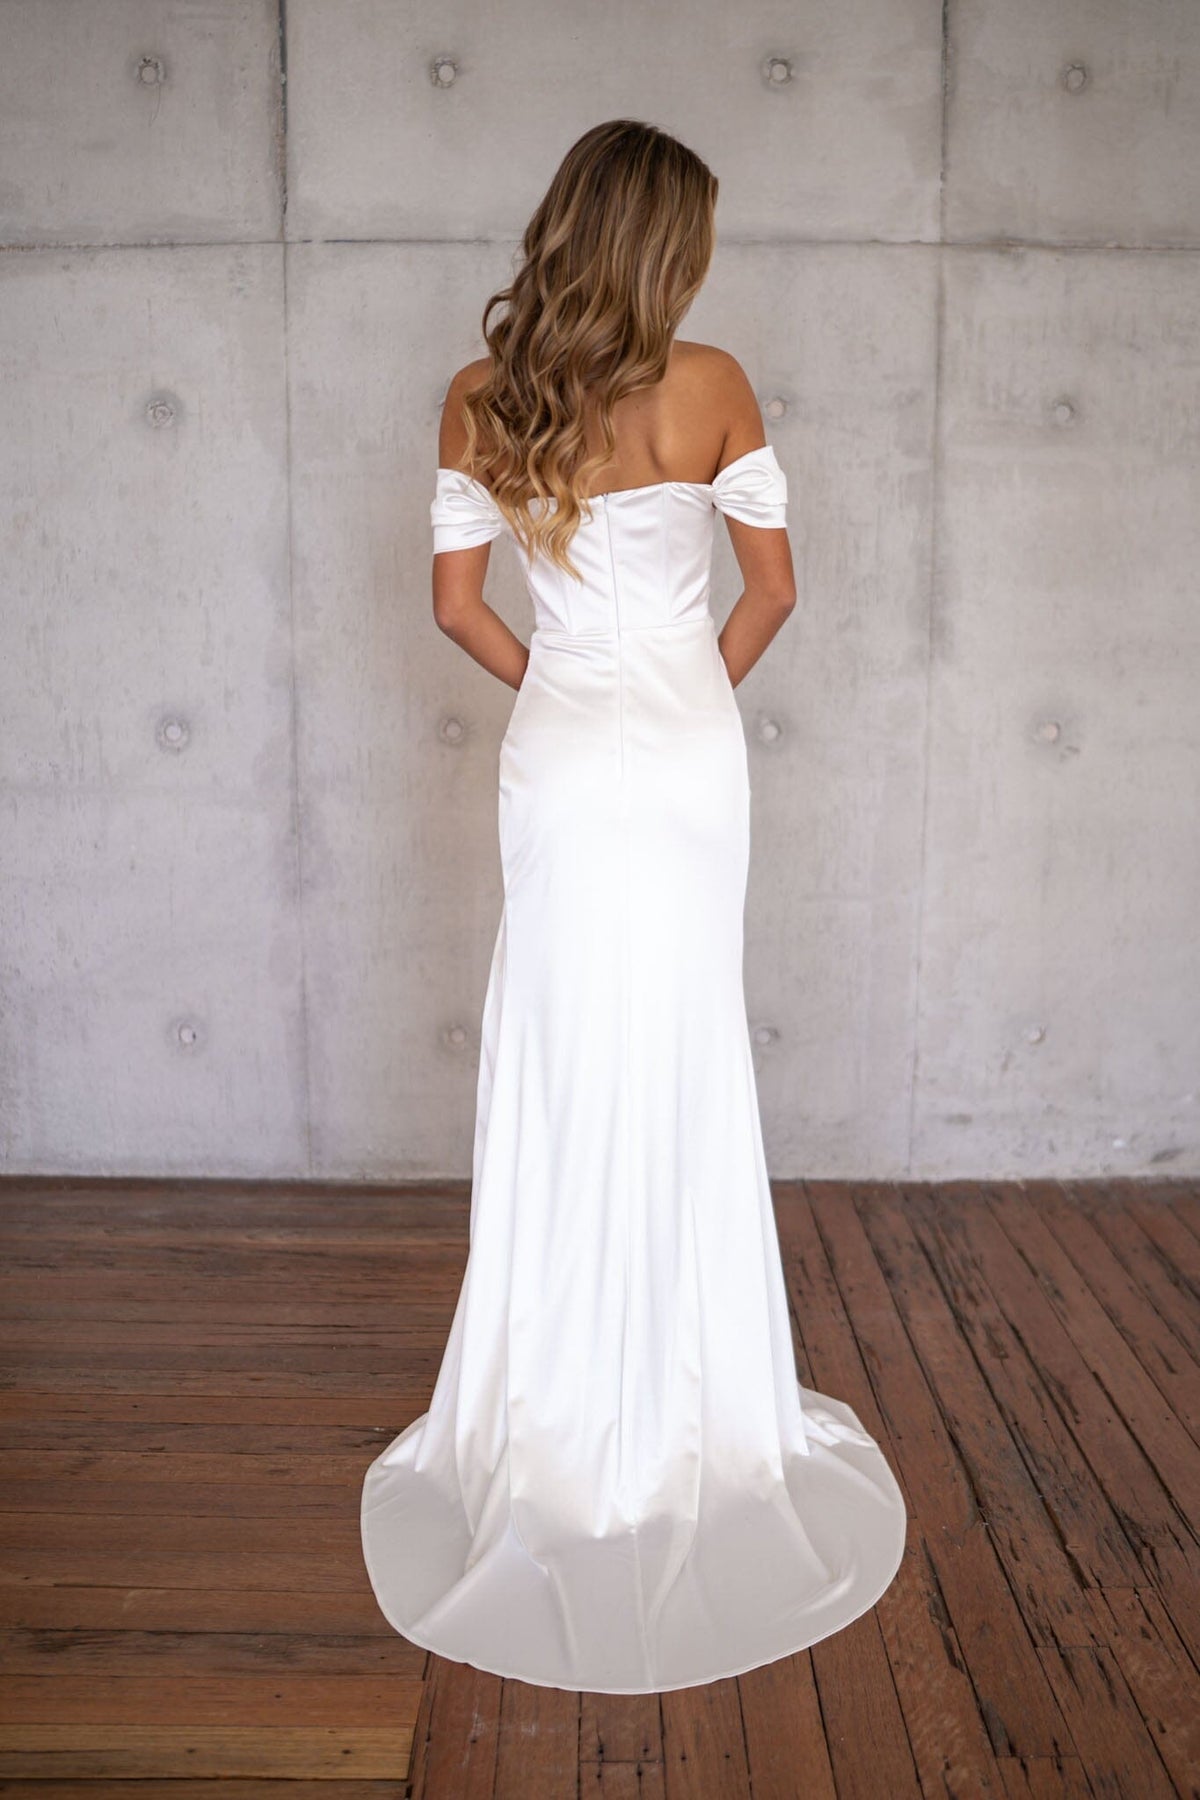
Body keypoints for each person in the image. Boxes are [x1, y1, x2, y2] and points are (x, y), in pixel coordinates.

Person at [360, 118, 906, 1695]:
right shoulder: (714, 379)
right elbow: (776, 593)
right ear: (671, 245)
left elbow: (459, 612)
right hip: (683, 757)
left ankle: (549, 1413)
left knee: (562, 1047)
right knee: (678, 1050)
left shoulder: (483, 396)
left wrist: (574, 690)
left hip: (565, 753)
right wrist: (681, 693)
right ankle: (698, 1406)